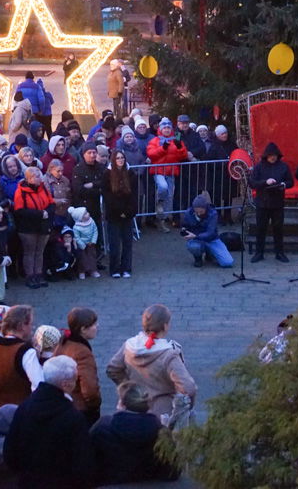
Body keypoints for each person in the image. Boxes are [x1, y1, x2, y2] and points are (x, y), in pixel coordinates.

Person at [5, 356, 94, 488]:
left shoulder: (24, 407)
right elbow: (81, 463)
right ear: (65, 384)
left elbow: (10, 453)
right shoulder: (73, 417)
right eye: (75, 379)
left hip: (28, 482)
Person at [106, 304, 198, 418]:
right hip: (162, 413)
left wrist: (128, 387)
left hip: (132, 408)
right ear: (165, 326)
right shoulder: (169, 354)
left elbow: (112, 369)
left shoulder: (129, 346)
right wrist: (184, 407)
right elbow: (188, 388)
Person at [89, 381, 178, 485]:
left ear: (121, 404)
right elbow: (172, 471)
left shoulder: (102, 428)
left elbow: (87, 462)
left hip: (110, 482)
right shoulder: (162, 432)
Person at [0, 305, 43, 418]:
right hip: (18, 413)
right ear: (22, 326)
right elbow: (38, 384)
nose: (32, 327)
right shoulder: (26, 351)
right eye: (30, 324)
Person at [53, 307, 101, 426]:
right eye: (94, 324)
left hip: (63, 403)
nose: (97, 326)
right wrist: (94, 405)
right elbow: (89, 389)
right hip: (81, 409)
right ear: (83, 329)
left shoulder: (63, 343)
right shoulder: (82, 352)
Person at [249, 142, 293, 263]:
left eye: (275, 155)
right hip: (262, 203)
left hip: (277, 203)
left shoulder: (283, 166)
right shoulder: (259, 167)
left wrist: (283, 184)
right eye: (270, 155)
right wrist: (265, 182)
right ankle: (259, 253)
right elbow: (252, 183)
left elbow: (290, 182)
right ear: (266, 155)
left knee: (278, 229)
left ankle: (279, 253)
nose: (273, 157)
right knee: (260, 228)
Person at [13, 167, 54, 289]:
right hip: (28, 227)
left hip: (43, 225)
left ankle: (39, 274)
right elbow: (19, 210)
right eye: (36, 176)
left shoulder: (43, 188)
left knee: (40, 251)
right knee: (29, 252)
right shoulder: (21, 191)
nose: (39, 178)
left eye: (39, 175)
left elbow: (51, 203)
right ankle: (30, 276)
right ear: (28, 178)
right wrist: (39, 214)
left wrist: (47, 212)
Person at [146, 118, 188, 232]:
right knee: (163, 187)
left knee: (169, 196)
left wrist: (179, 147)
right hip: (158, 170)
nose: (167, 130)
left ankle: (162, 220)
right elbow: (151, 154)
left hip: (171, 171)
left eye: (168, 128)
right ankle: (159, 201)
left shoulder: (176, 140)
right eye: (164, 128)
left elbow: (183, 156)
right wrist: (163, 148)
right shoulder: (155, 140)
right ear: (161, 129)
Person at [103, 150, 137, 278]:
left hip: (127, 213)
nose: (120, 160)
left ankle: (126, 268)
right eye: (117, 158)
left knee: (127, 242)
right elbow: (107, 196)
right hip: (114, 214)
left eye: (122, 157)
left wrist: (128, 211)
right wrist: (119, 210)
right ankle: (115, 269)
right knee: (114, 243)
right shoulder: (107, 174)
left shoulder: (130, 173)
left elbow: (133, 194)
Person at [182, 194, 233, 268]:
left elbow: (210, 232)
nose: (199, 214)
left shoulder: (213, 213)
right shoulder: (188, 213)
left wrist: (196, 236)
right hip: (196, 240)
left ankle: (209, 253)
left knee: (228, 262)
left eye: (201, 211)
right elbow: (185, 225)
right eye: (196, 211)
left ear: (206, 208)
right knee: (194, 246)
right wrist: (184, 230)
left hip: (211, 239)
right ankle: (198, 258)